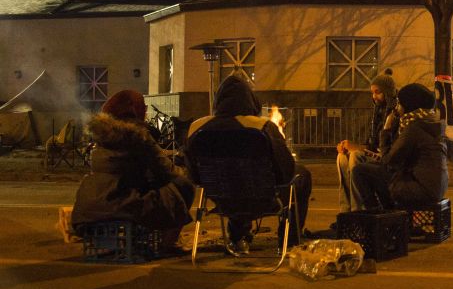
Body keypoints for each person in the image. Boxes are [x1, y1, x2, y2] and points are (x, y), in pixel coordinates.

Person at [185, 75, 312, 254]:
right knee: (302, 175)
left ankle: (237, 238)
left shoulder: (197, 127)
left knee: (233, 180)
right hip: (263, 199)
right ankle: (289, 241)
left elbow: (194, 175)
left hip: (221, 200)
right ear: (250, 101)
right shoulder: (262, 127)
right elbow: (286, 171)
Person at [70, 89, 195, 253]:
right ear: (135, 110)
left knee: (152, 190)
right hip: (123, 201)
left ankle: (132, 240)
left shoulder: (101, 136)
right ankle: (167, 245)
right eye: (143, 107)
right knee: (180, 187)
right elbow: (167, 171)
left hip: (88, 206)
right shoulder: (138, 136)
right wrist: (189, 174)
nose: (146, 111)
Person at [353, 83, 448, 210]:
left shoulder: (414, 128)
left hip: (420, 189)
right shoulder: (430, 123)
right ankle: (387, 213)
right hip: (434, 187)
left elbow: (388, 161)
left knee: (359, 171)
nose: (397, 107)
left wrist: (386, 129)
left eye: (399, 103)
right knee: (378, 171)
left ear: (409, 105)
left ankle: (375, 215)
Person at [335, 68, 399, 212]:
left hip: (387, 158)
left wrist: (357, 148)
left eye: (378, 92)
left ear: (388, 93)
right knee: (342, 157)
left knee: (356, 156)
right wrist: (349, 145)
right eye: (372, 93)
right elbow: (371, 142)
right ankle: (346, 210)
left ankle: (359, 210)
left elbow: (388, 147)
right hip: (376, 153)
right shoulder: (378, 111)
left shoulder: (395, 113)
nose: (374, 96)